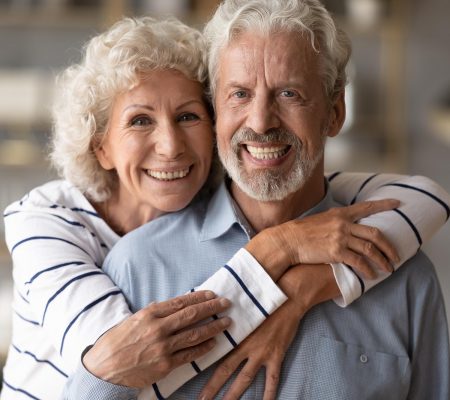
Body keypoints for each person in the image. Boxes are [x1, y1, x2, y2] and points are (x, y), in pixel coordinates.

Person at [1, 13, 448, 400]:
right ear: (101, 149)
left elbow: (429, 196)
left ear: (334, 114)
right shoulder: (96, 251)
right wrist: (282, 250)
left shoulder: (403, 274)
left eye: (290, 93)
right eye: (239, 94)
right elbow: (110, 366)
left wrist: (303, 290)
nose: (260, 122)